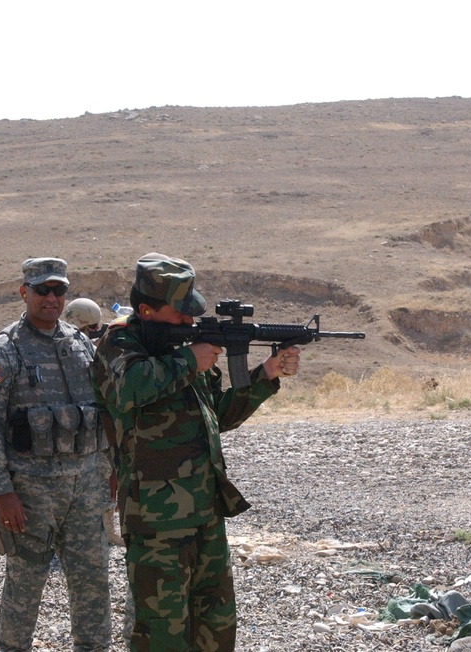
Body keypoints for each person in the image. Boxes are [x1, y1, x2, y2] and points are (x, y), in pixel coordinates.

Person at [90, 252, 300, 652]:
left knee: (216, 630)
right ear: (147, 310)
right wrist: (189, 360)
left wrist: (266, 375)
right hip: (157, 525)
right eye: (180, 314)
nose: (190, 322)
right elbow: (129, 388)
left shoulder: (181, 347)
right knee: (163, 636)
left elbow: (215, 416)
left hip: (206, 514)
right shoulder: (118, 343)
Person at [0, 257, 112, 652]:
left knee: (92, 581)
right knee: (25, 584)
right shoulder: (5, 351)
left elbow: (101, 414)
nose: (51, 298)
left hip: (85, 488)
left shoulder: (80, 344)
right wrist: (2, 490)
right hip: (31, 493)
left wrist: (109, 472)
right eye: (42, 290)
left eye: (58, 290)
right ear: (24, 293)